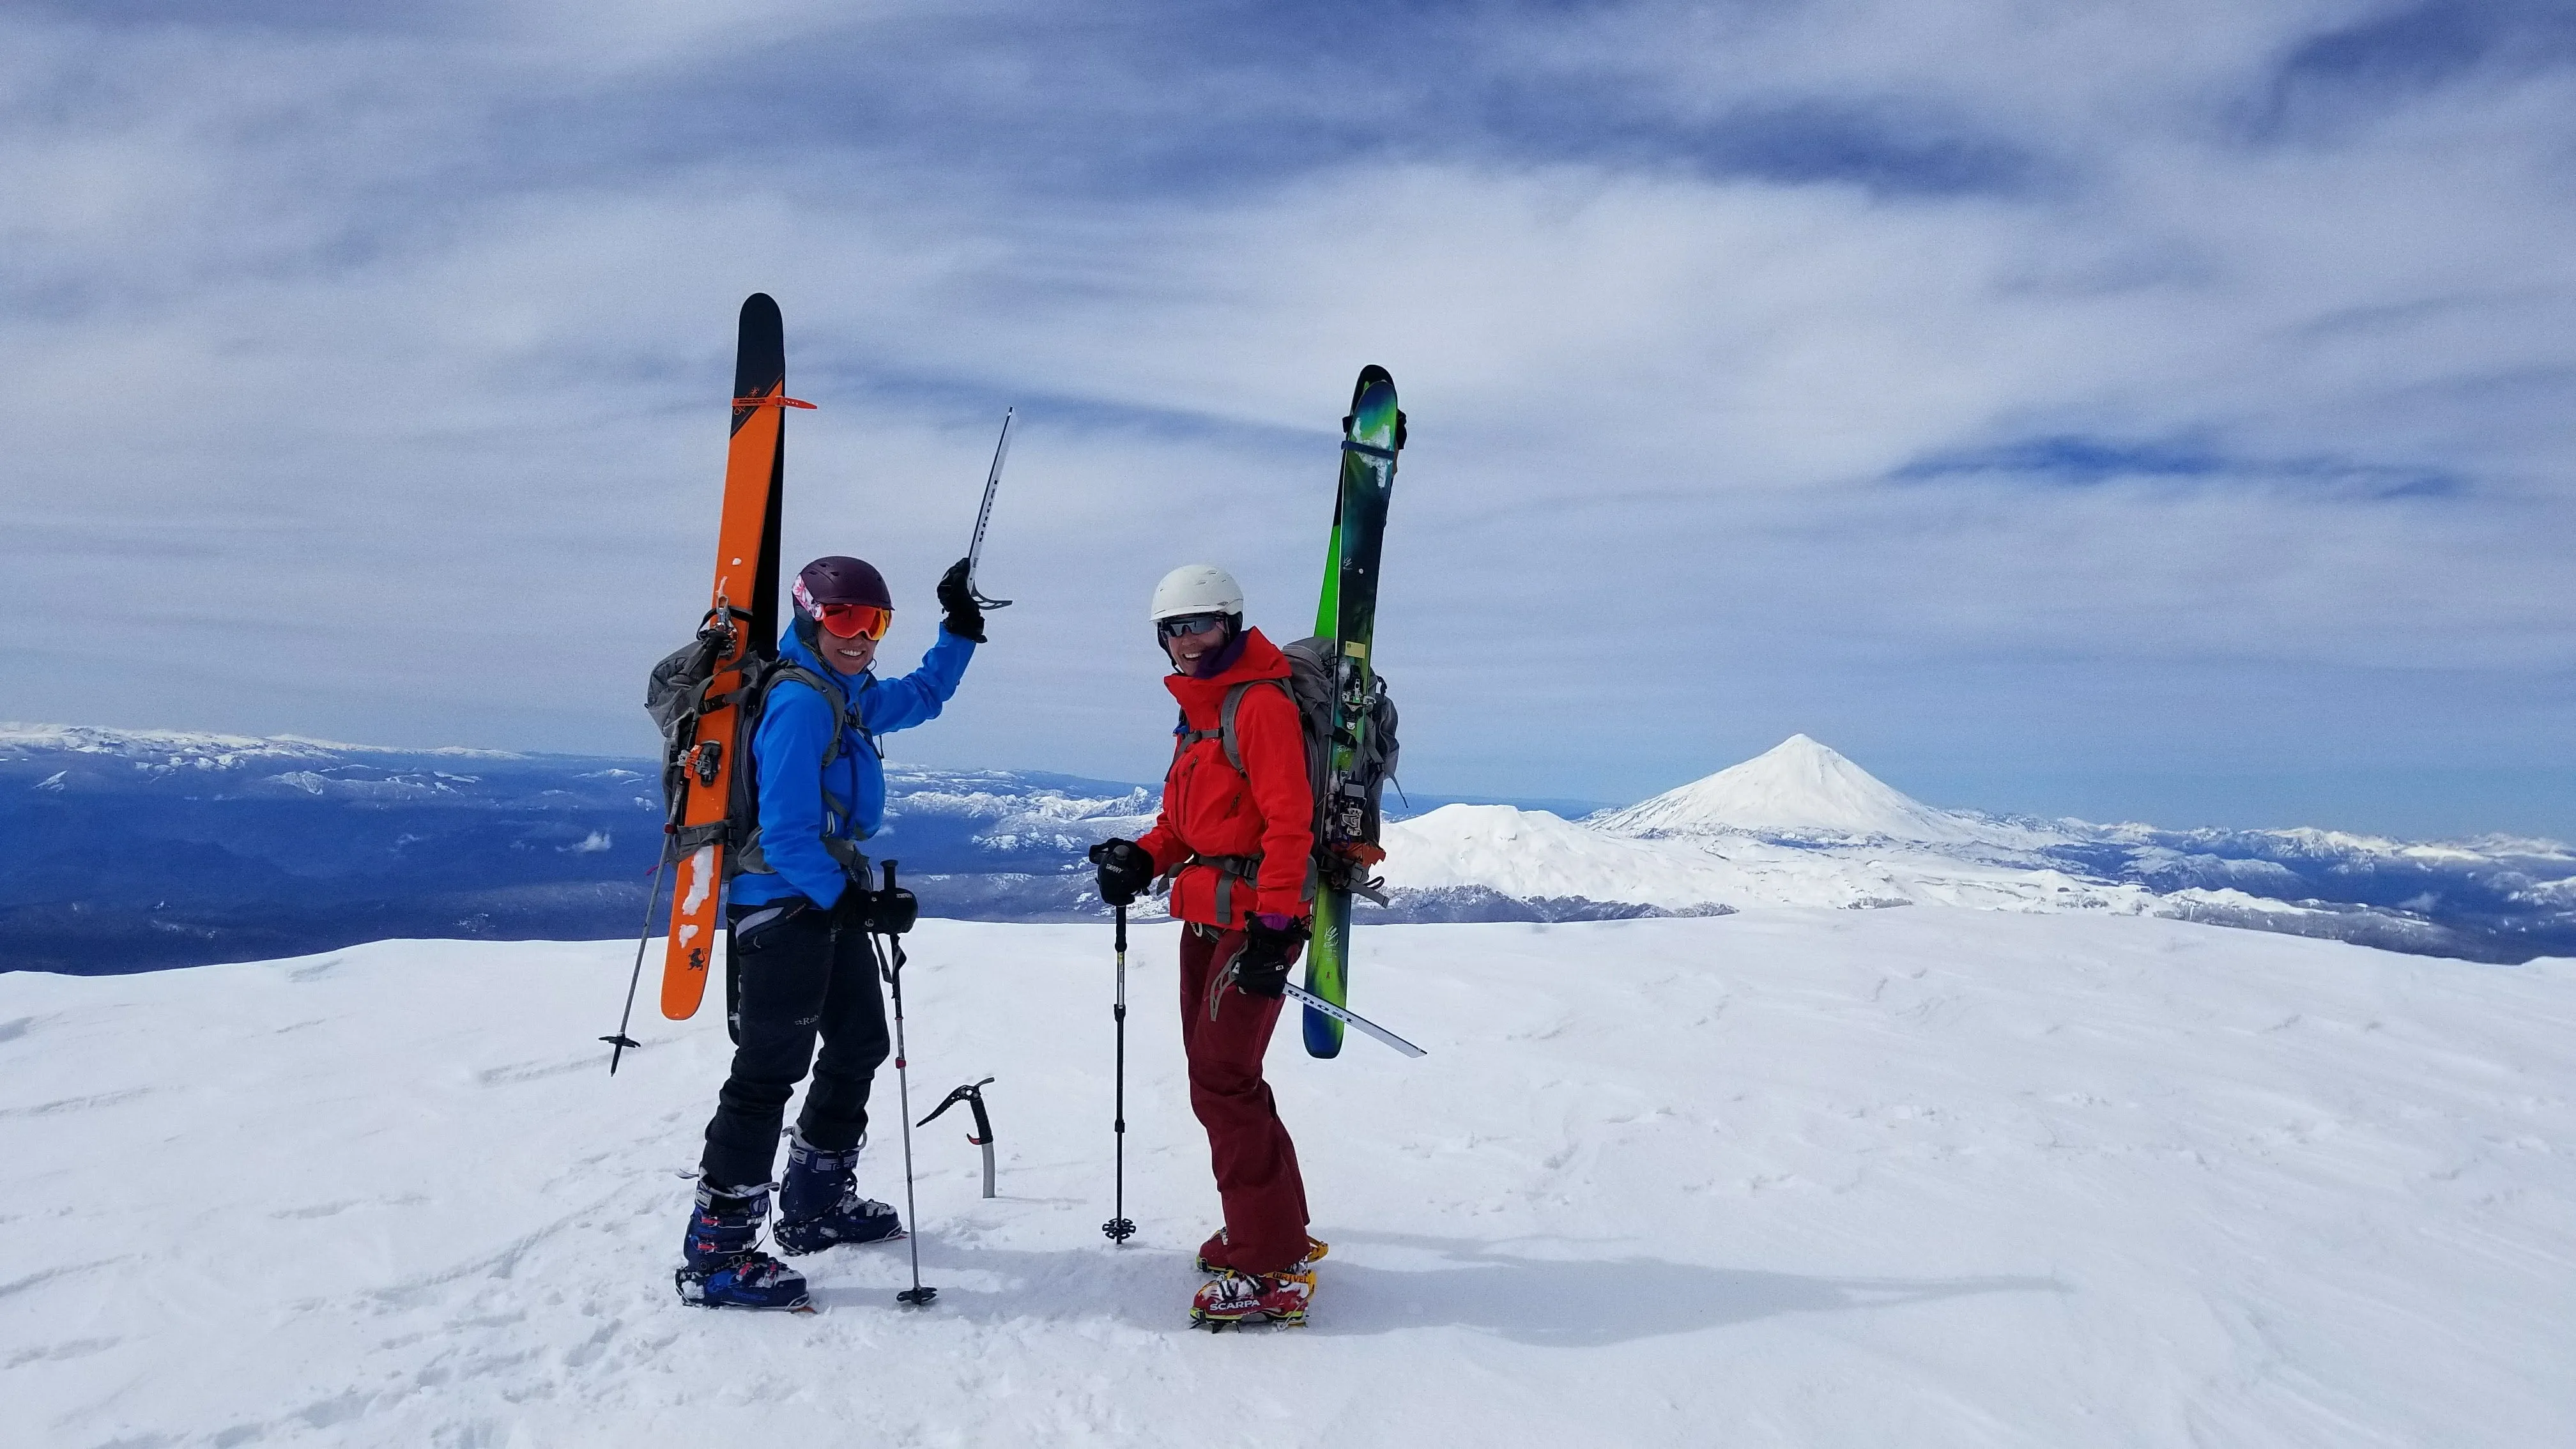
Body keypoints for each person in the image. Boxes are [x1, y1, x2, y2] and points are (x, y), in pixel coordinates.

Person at [675, 554, 985, 1311]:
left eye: (874, 622)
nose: (861, 636)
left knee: (857, 1044)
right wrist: (844, 906)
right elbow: (783, 834)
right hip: (782, 905)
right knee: (767, 1072)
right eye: (844, 619)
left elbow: (920, 698)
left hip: (824, 897)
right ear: (811, 616)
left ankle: (812, 1205)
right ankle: (717, 1253)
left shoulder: (844, 692)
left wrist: (958, 633)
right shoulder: (803, 703)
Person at [1089, 564, 1326, 1328]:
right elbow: (1184, 825)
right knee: (1225, 1078)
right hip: (1208, 915)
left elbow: (1290, 824)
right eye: (1174, 630)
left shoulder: (1257, 704)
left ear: (1231, 622)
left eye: (1201, 625)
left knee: (1222, 1083)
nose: (1188, 642)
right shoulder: (1202, 711)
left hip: (1256, 918)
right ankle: (1277, 1234)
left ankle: (1268, 1267)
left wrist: (1277, 927)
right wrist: (1144, 857)